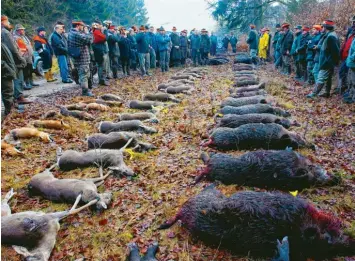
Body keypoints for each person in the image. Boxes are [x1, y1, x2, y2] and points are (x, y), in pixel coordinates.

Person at [1, 15, 32, 106]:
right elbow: (13, 48)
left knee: (16, 79)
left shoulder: (5, 32)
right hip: (14, 60)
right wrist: (20, 58)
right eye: (7, 21)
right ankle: (19, 97)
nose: (9, 23)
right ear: (2, 22)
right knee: (18, 78)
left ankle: (17, 96)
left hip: (12, 59)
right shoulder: (5, 33)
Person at [307, 20, 340, 98]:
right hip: (326, 61)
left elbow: (335, 52)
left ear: (326, 27)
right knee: (328, 78)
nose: (322, 28)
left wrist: (329, 62)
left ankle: (314, 94)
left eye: (323, 26)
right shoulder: (328, 35)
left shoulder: (331, 36)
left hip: (327, 62)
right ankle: (327, 93)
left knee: (321, 77)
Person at [68, 20, 94, 97]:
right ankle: (85, 92)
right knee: (84, 75)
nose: (83, 27)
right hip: (82, 59)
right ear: (78, 26)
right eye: (82, 26)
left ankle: (86, 89)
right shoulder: (76, 34)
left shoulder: (71, 33)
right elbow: (89, 40)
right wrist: (88, 32)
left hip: (78, 58)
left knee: (84, 75)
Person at [13, 24, 39, 89]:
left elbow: (28, 45)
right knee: (25, 70)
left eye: (23, 29)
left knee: (30, 69)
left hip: (29, 56)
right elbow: (19, 47)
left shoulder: (24, 36)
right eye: (21, 30)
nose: (23, 31)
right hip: (24, 56)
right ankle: (26, 84)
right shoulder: (16, 38)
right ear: (18, 30)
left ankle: (31, 82)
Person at [337, 15, 355, 94]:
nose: (353, 23)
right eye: (353, 21)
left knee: (350, 76)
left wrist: (351, 57)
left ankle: (347, 91)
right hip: (345, 57)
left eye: (354, 21)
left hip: (350, 58)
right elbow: (346, 42)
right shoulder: (351, 31)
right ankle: (343, 89)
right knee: (342, 72)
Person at [92, 21, 109, 86]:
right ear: (98, 25)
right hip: (100, 51)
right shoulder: (96, 32)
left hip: (98, 51)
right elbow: (105, 38)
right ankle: (102, 80)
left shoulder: (95, 31)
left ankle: (102, 79)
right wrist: (105, 31)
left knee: (100, 66)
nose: (102, 26)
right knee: (101, 66)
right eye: (100, 25)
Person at [344, 38, 355, 103]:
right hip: (351, 63)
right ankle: (351, 95)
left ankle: (353, 98)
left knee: (354, 81)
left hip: (353, 63)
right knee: (350, 80)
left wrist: (351, 58)